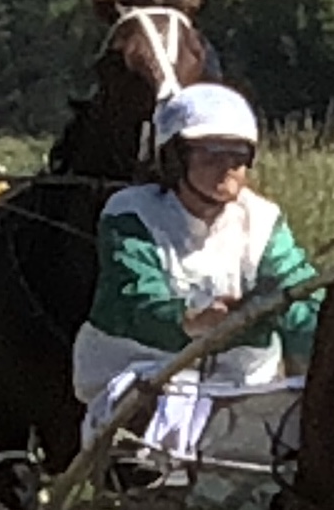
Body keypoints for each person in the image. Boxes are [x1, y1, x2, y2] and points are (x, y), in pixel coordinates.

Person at [71, 83, 320, 466]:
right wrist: (192, 321)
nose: (227, 167)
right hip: (143, 377)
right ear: (174, 159)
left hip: (242, 389)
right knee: (153, 423)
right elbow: (132, 299)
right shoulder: (131, 213)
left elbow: (299, 294)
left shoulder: (262, 219)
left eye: (238, 156)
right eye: (210, 154)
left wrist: (325, 330)